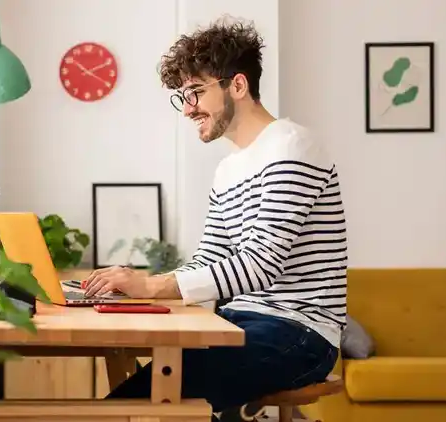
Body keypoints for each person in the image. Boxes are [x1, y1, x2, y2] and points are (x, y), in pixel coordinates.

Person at [82, 17, 347, 422]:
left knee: (137, 401)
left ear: (237, 86)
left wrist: (153, 285)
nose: (188, 109)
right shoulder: (228, 170)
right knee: (140, 393)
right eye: (183, 96)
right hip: (240, 321)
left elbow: (260, 264)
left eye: (196, 93)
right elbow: (209, 258)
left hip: (300, 334)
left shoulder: (292, 147)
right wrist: (132, 287)